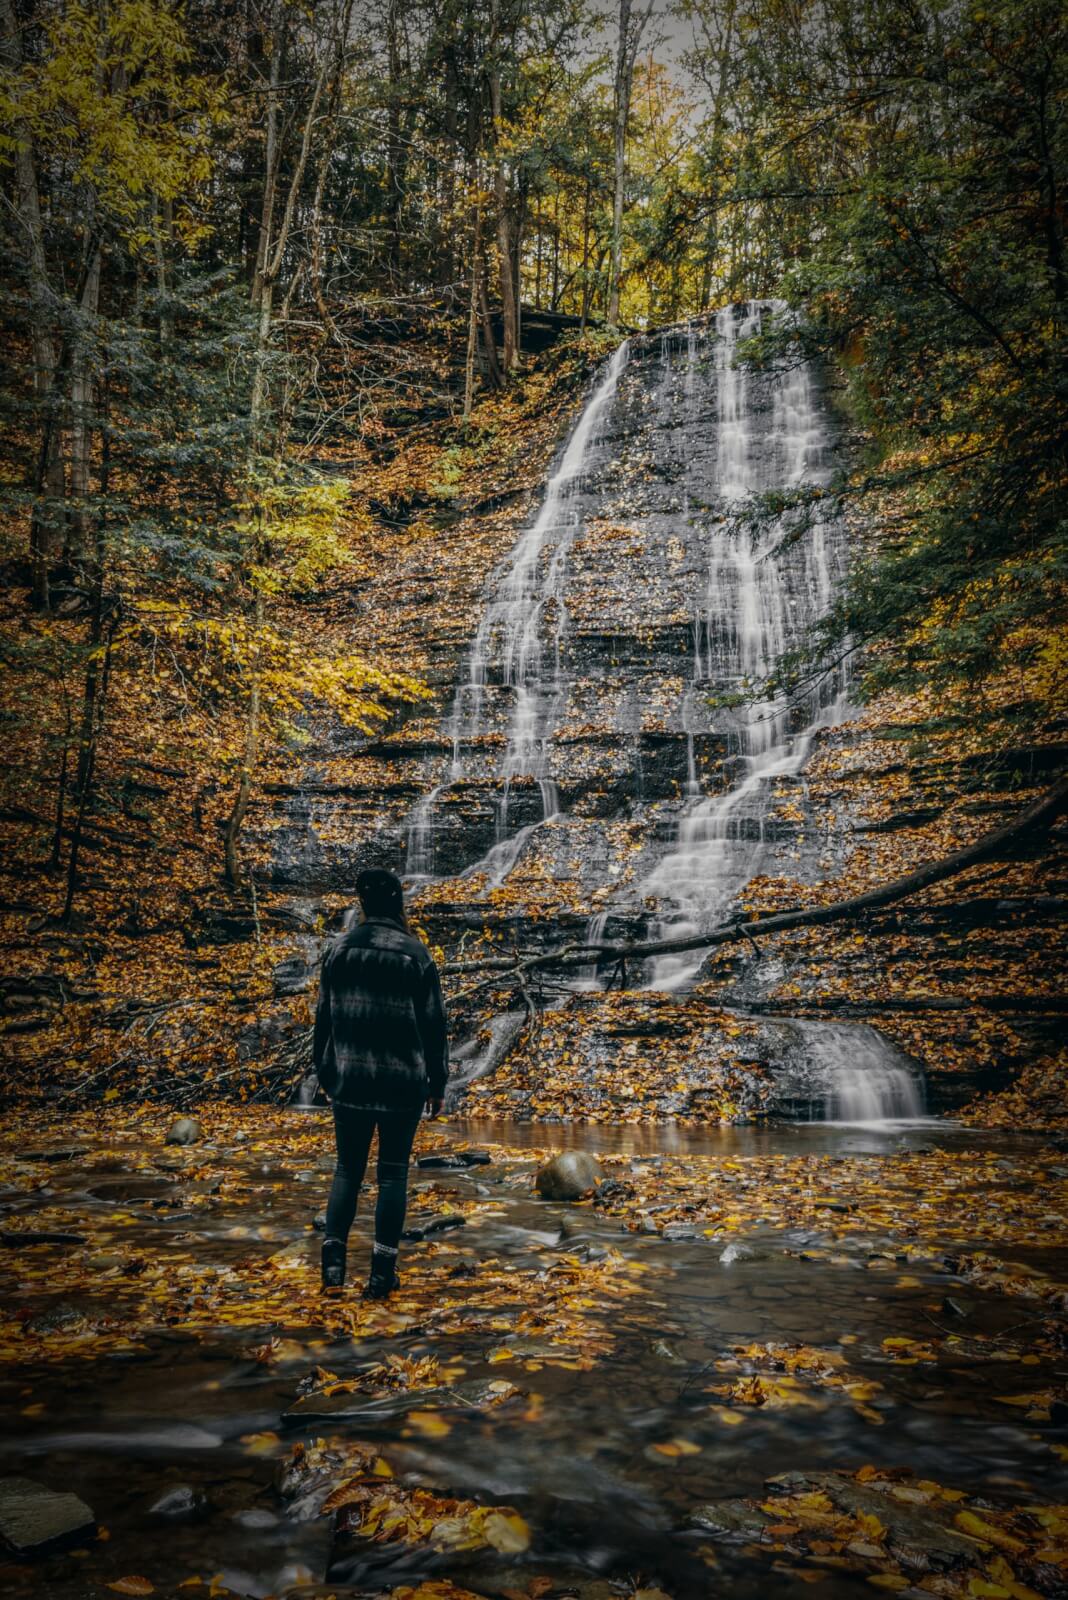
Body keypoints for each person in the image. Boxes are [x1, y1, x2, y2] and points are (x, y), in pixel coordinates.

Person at [312, 866, 448, 1297]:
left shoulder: (339, 951)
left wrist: (325, 1072)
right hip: (402, 1083)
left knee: (347, 1170)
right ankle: (380, 1276)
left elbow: (323, 1022)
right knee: (392, 1177)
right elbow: (434, 1027)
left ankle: (332, 1271)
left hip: (349, 1079)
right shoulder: (415, 955)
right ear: (397, 902)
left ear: (363, 903)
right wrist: (437, 1083)